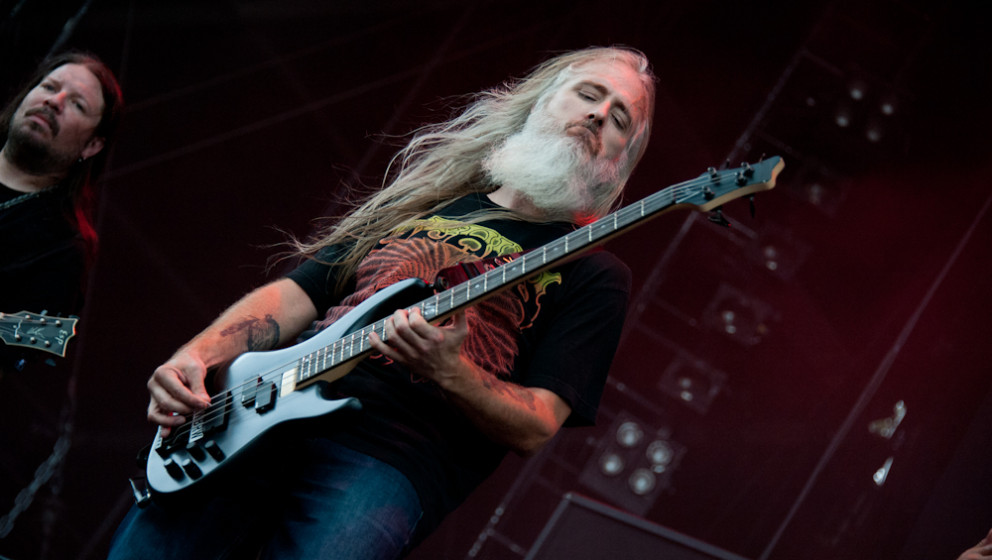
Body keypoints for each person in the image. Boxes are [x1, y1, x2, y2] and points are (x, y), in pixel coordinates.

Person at [107, 45, 656, 559]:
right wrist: (196, 358)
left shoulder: (593, 272)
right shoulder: (431, 203)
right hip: (260, 409)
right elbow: (301, 291)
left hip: (389, 459)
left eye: (620, 118)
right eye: (588, 93)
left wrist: (452, 372)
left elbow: (537, 425)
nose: (598, 114)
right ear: (544, 99)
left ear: (620, 161)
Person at [0, 51, 124, 372]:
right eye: (49, 86)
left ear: (92, 146)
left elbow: (26, 355)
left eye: (77, 104)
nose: (55, 101)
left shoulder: (64, 250)